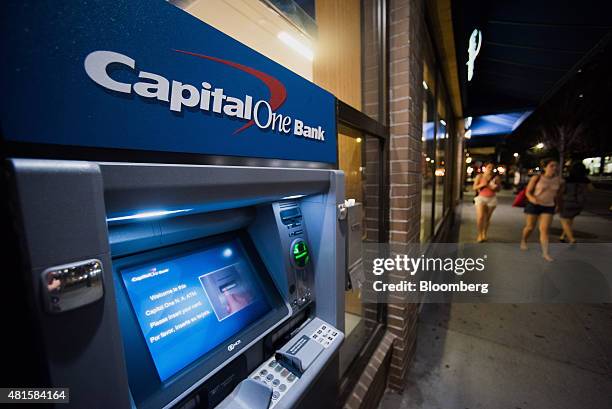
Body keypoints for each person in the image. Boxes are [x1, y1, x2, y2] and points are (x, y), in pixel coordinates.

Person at [520, 159, 562, 261]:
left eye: (556, 166)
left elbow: (558, 195)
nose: (554, 168)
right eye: (551, 165)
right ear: (545, 167)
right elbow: (528, 192)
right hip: (534, 205)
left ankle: (545, 253)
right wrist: (532, 199)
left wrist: (558, 205)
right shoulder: (536, 178)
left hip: (548, 206)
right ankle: (524, 240)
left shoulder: (559, 180)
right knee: (530, 227)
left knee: (544, 230)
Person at [559, 162, 593, 244]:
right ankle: (563, 236)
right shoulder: (586, 180)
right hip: (579, 203)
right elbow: (591, 189)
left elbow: (562, 191)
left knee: (564, 221)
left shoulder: (567, 179)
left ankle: (571, 239)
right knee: (570, 220)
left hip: (567, 202)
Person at [473, 162, 501, 242]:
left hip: (491, 199)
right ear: (485, 168)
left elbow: (499, 189)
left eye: (492, 167)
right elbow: (474, 187)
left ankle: (484, 233)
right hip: (481, 198)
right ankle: (479, 234)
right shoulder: (480, 176)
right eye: (489, 167)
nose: (490, 169)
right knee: (480, 217)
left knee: (487, 218)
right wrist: (482, 185)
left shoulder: (496, 178)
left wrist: (495, 187)